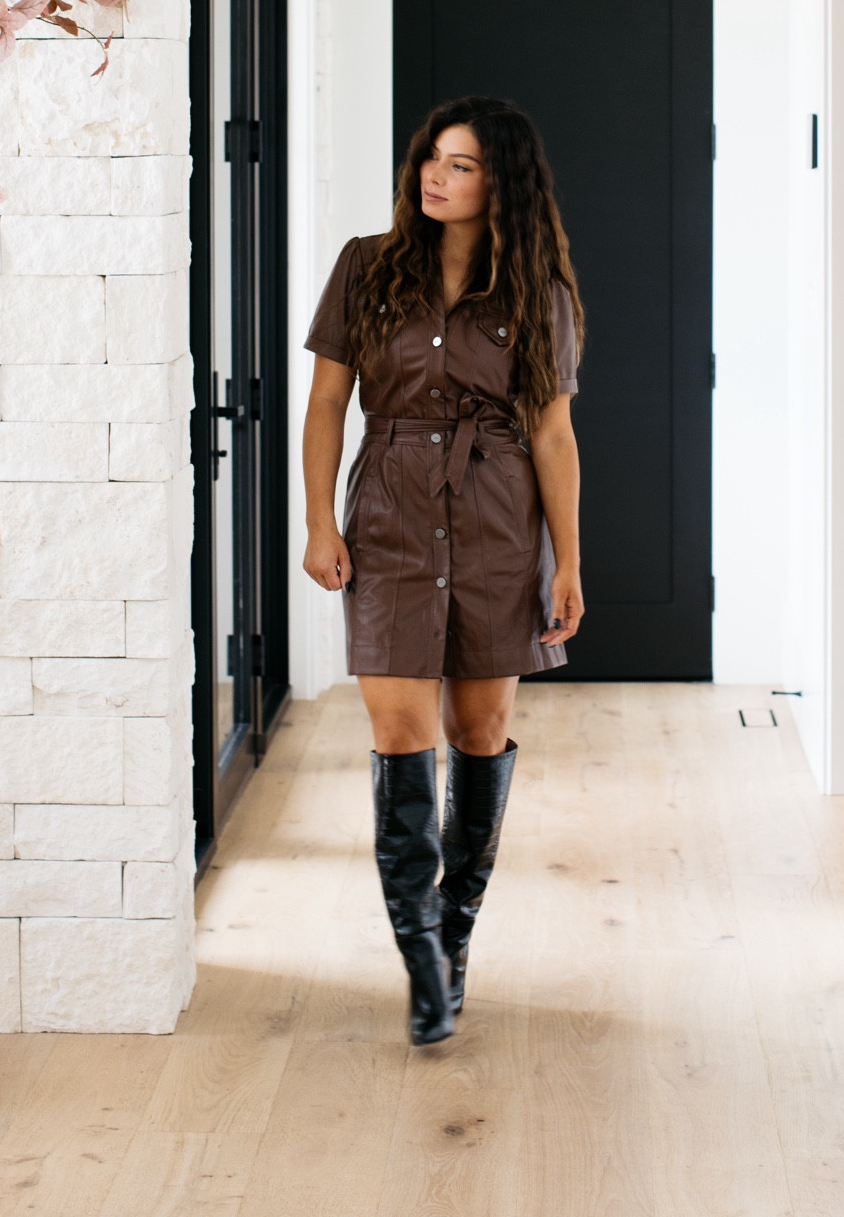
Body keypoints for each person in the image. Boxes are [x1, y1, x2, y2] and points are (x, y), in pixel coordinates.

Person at [302, 95, 585, 1044]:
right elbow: (326, 407)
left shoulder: (537, 292)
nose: (435, 174)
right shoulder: (365, 268)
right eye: (432, 156)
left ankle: (453, 930)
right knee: (397, 729)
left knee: (481, 726)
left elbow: (551, 433)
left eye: (460, 164)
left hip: (499, 516)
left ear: (498, 181)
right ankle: (422, 959)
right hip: (387, 513)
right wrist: (317, 523)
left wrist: (567, 560)